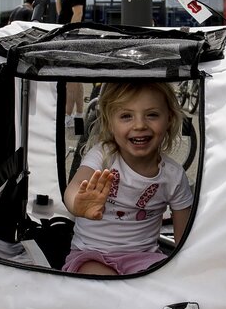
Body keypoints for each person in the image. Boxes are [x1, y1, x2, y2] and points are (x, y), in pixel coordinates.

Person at [62, 81, 193, 276]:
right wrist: (77, 204)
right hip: (91, 255)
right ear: (110, 124)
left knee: (163, 281)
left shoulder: (173, 176)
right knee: (104, 282)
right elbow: (74, 187)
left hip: (143, 259)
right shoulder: (102, 156)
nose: (140, 125)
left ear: (170, 120)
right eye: (126, 116)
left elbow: (185, 240)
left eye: (152, 115)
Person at [53, 0, 87, 128]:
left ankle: (69, 116)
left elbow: (78, 13)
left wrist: (69, 36)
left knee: (70, 80)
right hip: (70, 36)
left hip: (71, 38)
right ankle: (78, 116)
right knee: (76, 79)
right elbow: (62, 14)